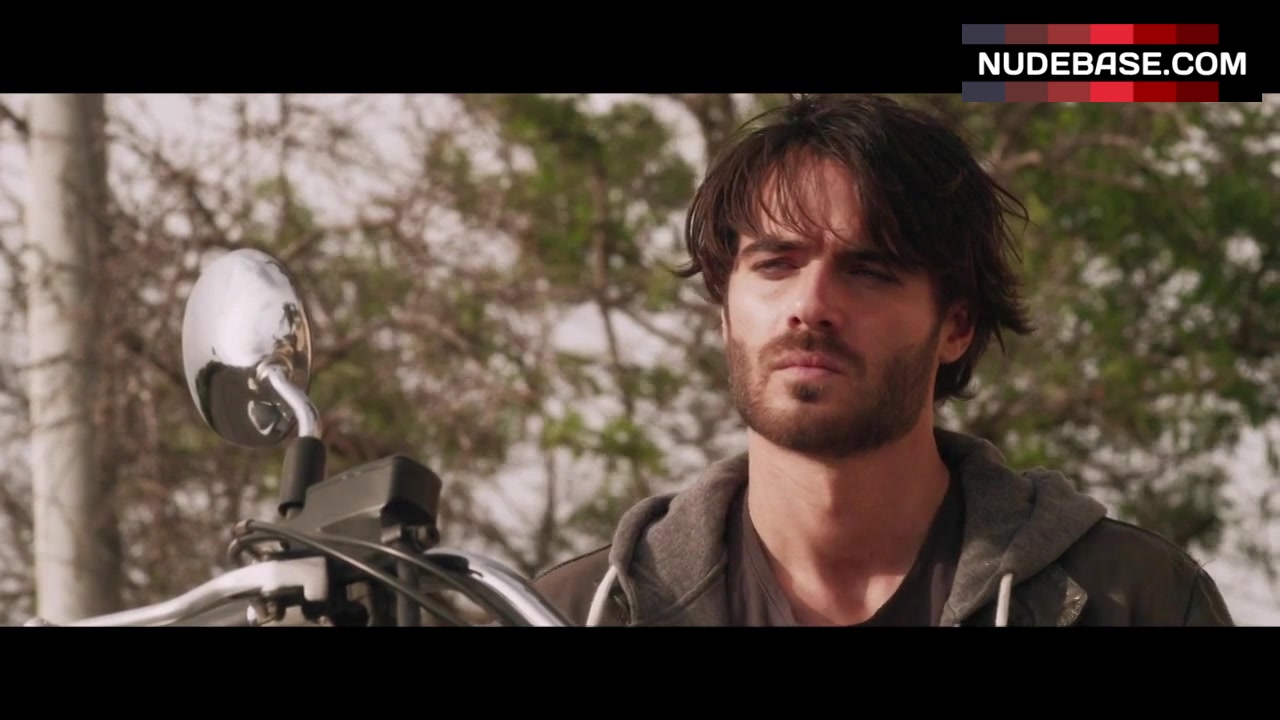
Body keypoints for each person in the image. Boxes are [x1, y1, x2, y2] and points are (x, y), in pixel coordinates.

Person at [532, 93, 1235, 627]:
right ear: (724, 311)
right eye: (776, 264)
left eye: (869, 271)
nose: (811, 305)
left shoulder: (1136, 599)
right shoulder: (573, 612)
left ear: (956, 326)